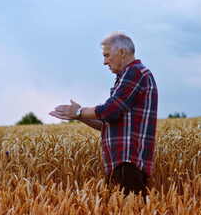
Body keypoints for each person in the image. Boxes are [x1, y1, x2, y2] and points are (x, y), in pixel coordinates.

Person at [49, 32, 158, 196]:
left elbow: (110, 110)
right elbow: (108, 122)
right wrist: (79, 116)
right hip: (121, 164)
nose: (104, 61)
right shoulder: (126, 77)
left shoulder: (135, 72)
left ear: (121, 52)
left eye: (107, 55)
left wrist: (79, 111)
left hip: (128, 163)